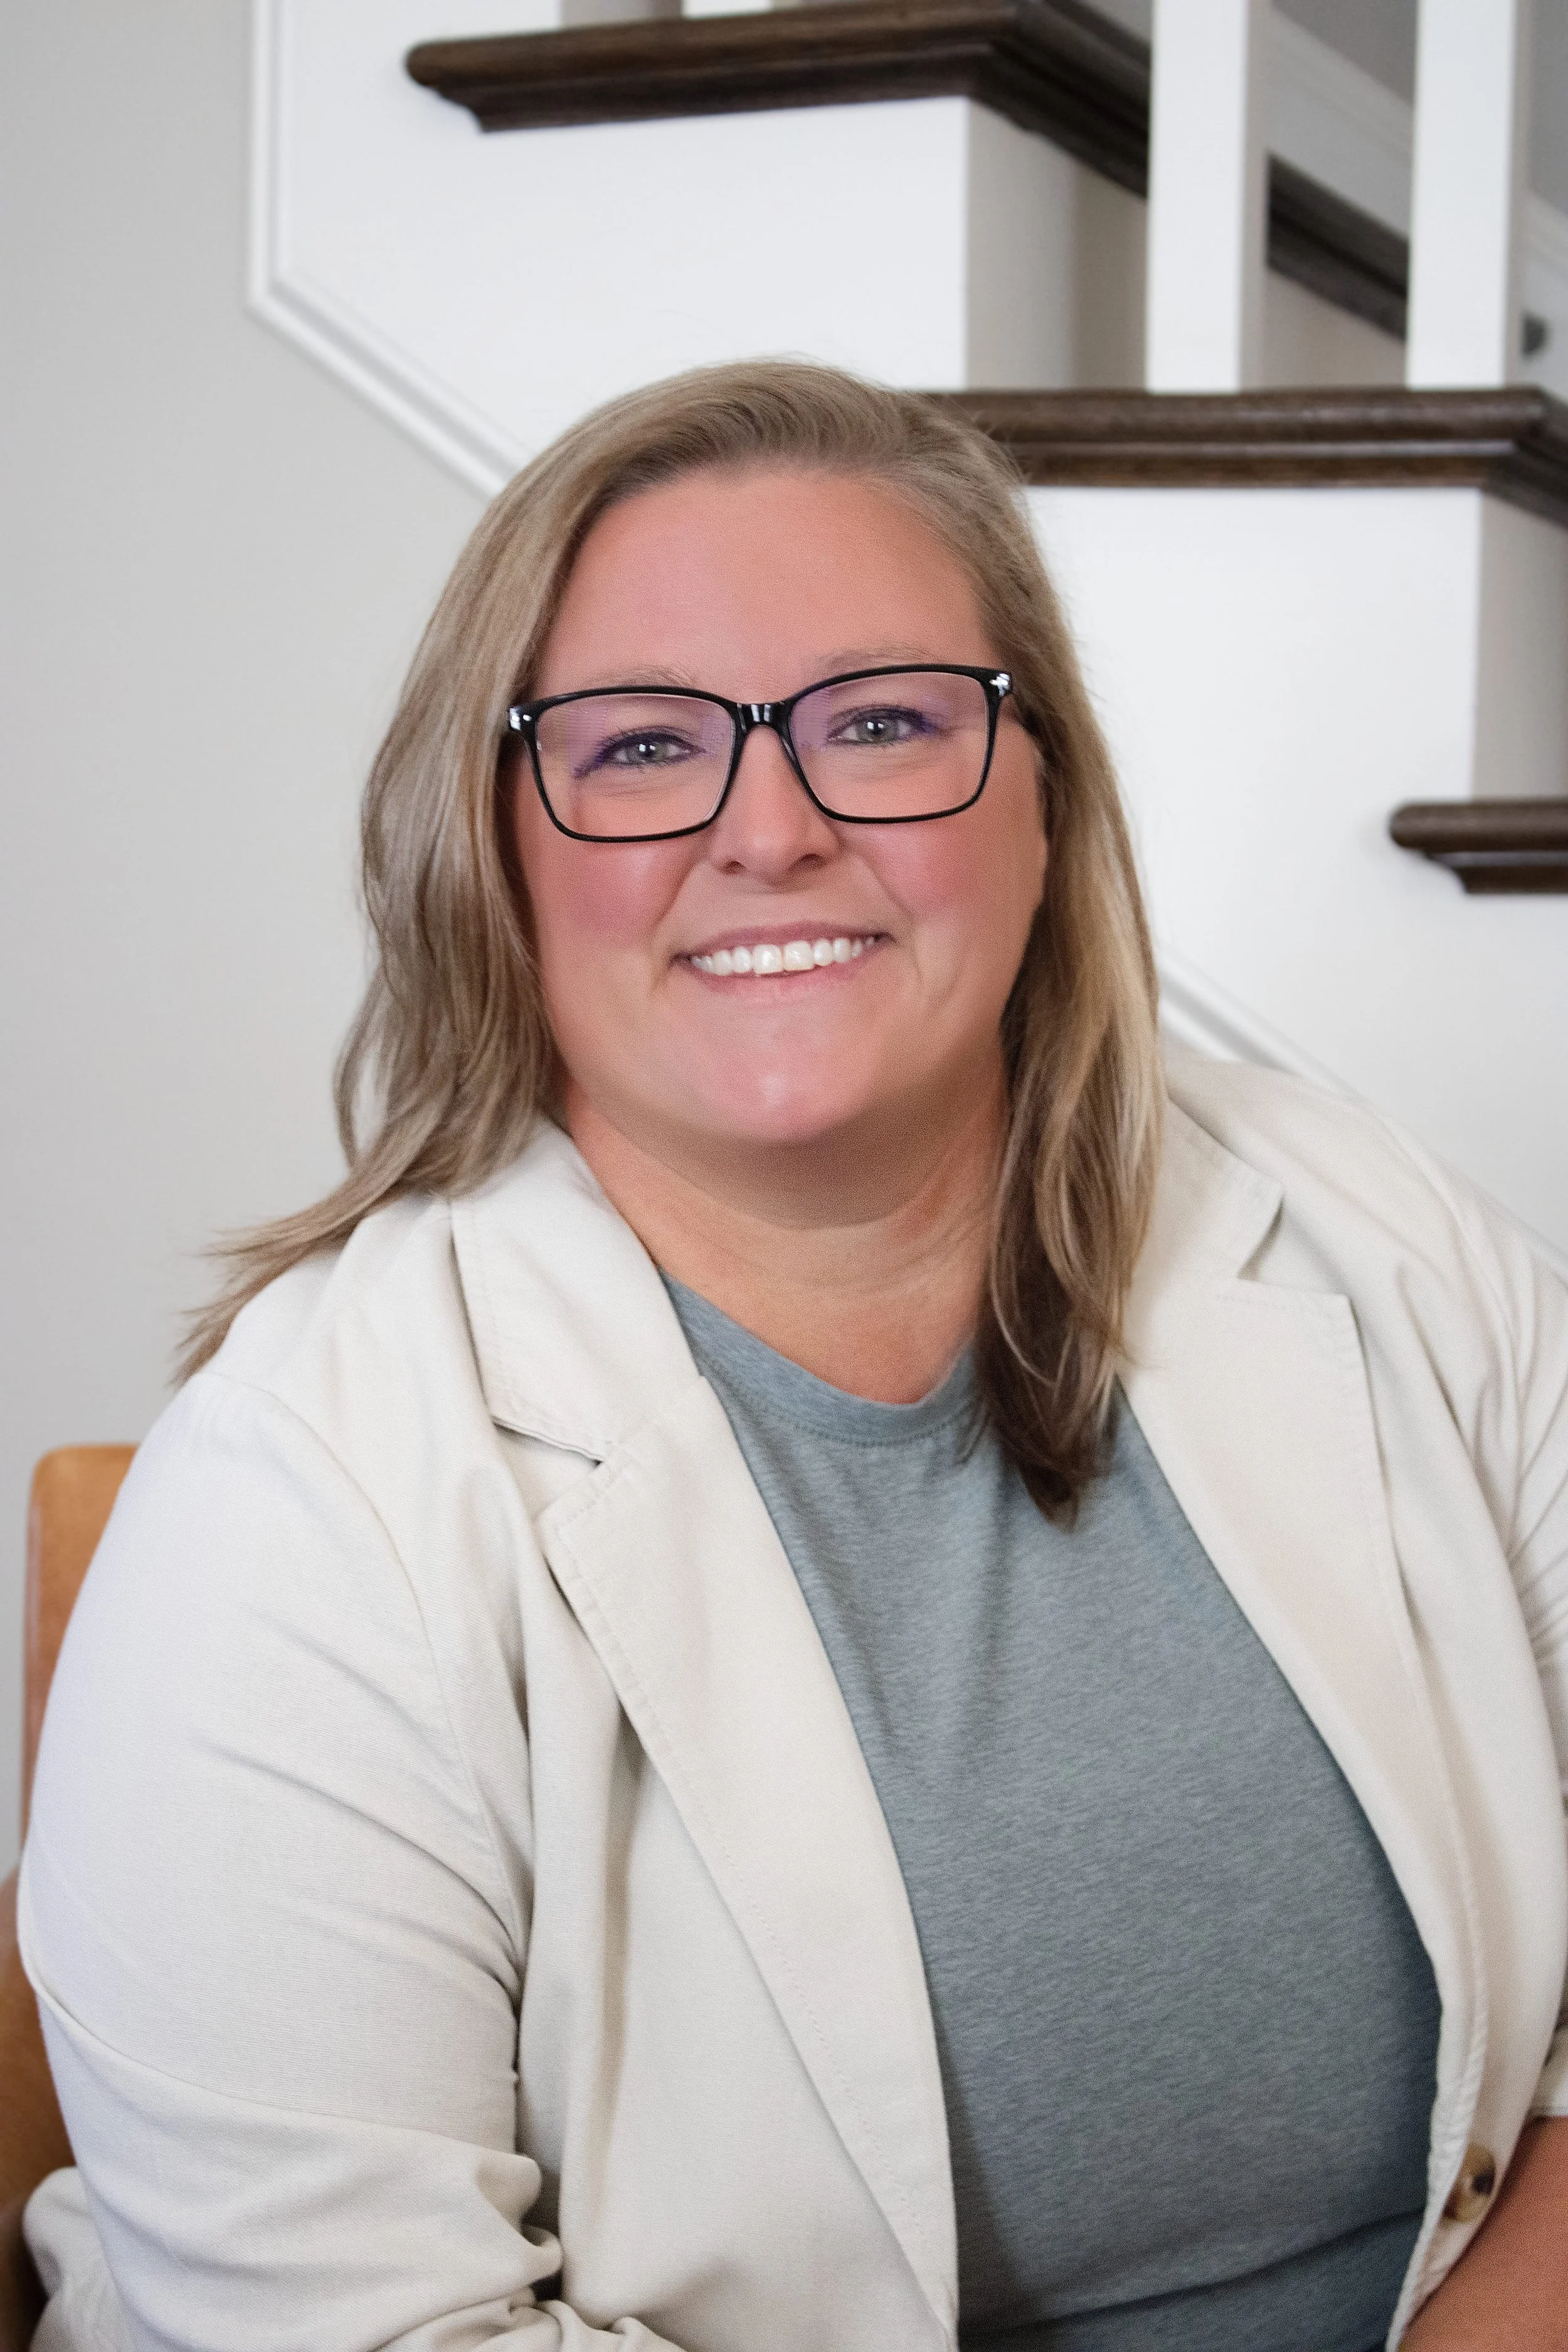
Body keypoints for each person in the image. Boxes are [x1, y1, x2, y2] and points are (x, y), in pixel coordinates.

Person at [18, 362, 1568, 2352]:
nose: (770, 828)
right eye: (643, 745)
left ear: (1044, 798)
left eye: (885, 721)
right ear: (488, 840)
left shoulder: (1364, 1221)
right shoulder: (297, 1502)